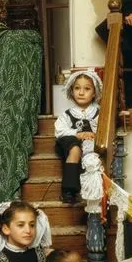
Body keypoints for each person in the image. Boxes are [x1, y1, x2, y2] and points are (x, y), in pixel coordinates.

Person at [55, 70, 103, 204]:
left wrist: (94, 134)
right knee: (75, 148)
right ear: (72, 91)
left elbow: (104, 129)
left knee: (94, 156)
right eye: (77, 88)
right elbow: (59, 131)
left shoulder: (99, 113)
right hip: (71, 144)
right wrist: (77, 133)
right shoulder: (68, 114)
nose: (81, 92)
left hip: (91, 145)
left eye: (87, 89)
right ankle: (69, 190)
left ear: (94, 93)